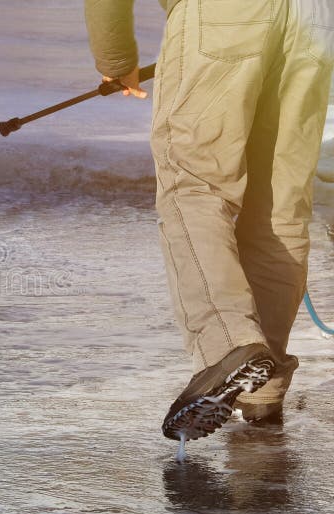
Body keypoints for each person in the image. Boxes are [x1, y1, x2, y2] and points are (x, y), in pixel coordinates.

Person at [84, 0, 334, 441]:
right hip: (315, 21)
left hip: (224, 17)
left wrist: (116, 58)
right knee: (279, 208)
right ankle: (260, 391)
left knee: (194, 188)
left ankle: (229, 348)